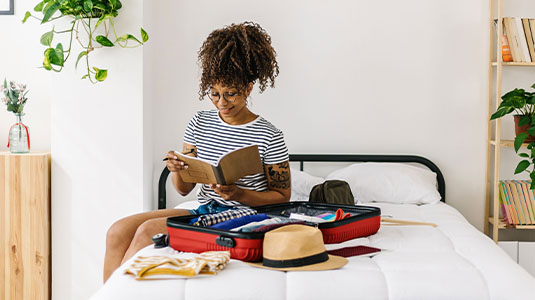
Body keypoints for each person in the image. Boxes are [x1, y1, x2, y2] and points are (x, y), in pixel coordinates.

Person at [103, 21, 291, 282]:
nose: (221, 103)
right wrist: (177, 170)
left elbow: (282, 196)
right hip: (205, 208)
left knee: (147, 231)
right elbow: (183, 190)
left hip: (246, 214)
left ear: (248, 88)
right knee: (117, 231)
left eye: (230, 94)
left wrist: (239, 193)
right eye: (214, 94)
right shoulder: (199, 123)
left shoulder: (269, 134)